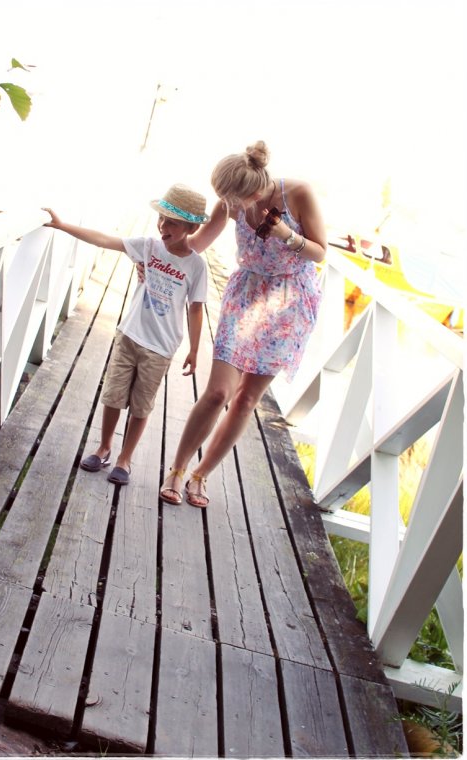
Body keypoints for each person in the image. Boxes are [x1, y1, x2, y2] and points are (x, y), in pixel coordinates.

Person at [158, 140, 326, 507]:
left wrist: (286, 235)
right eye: (226, 199)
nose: (231, 205)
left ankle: (201, 475)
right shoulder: (229, 202)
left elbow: (320, 252)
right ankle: (177, 468)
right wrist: (156, 252)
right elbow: (196, 244)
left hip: (288, 304)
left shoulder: (298, 194)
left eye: (236, 199)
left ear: (255, 186)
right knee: (219, 392)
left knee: (247, 398)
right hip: (246, 296)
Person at [43, 183, 209, 486]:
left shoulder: (196, 266)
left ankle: (125, 458)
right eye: (161, 218)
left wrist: (195, 349)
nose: (163, 226)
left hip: (160, 346)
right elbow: (105, 240)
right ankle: (104, 448)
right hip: (130, 334)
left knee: (141, 405)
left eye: (172, 222)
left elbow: (196, 308)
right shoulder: (148, 246)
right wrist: (62, 225)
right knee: (113, 395)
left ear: (190, 228)